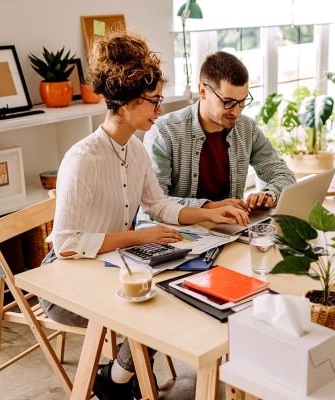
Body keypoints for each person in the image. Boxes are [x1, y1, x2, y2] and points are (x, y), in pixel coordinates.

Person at [42, 33, 249, 400]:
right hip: (69, 285)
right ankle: (120, 377)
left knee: (181, 294)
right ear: (126, 103)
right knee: (159, 307)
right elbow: (67, 244)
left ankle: (117, 378)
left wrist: (206, 211)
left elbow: (160, 206)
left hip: (115, 267)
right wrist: (141, 237)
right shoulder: (82, 159)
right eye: (153, 102)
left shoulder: (134, 150)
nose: (159, 111)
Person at [144, 51, 295, 212]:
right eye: (228, 102)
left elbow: (284, 175)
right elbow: (154, 203)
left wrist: (269, 195)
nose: (236, 112)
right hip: (179, 232)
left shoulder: (246, 128)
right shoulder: (164, 132)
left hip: (229, 230)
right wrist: (209, 208)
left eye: (242, 101)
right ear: (203, 91)